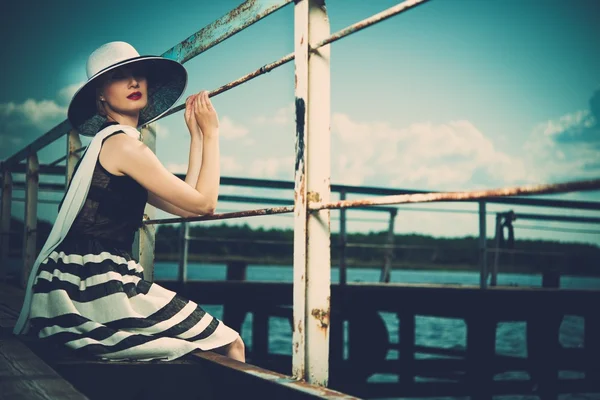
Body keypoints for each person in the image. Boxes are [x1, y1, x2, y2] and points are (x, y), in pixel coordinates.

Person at [12, 41, 245, 362]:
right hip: (95, 281)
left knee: (212, 342)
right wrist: (214, 134)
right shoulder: (125, 148)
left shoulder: (113, 144)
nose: (134, 82)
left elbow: (186, 206)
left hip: (76, 277)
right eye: (120, 77)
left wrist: (197, 139)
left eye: (138, 74)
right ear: (101, 95)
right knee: (231, 343)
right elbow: (205, 204)